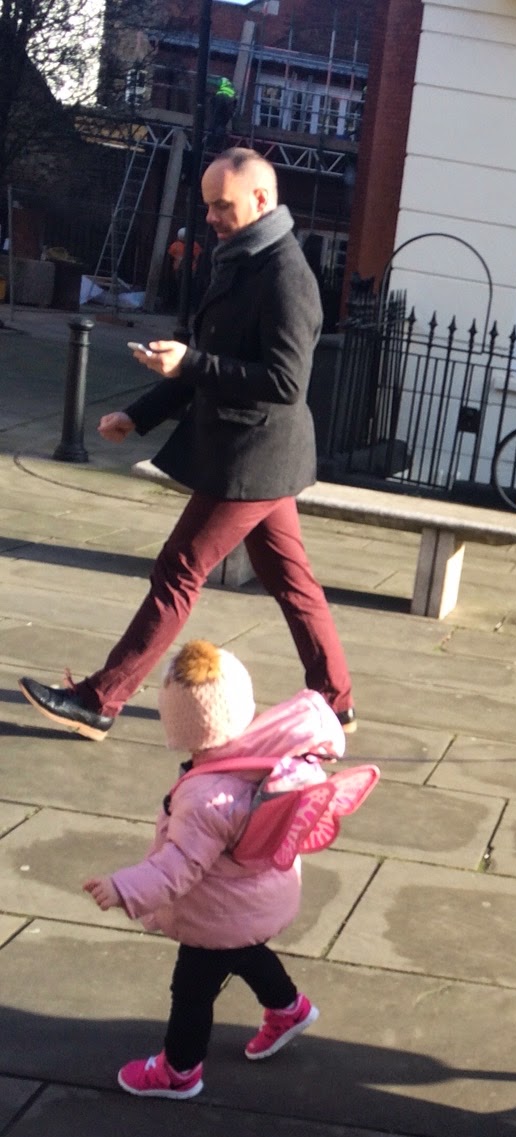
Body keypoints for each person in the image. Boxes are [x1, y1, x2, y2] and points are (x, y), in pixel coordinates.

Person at [19, 147, 355, 740]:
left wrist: (191, 363)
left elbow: (285, 382)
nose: (211, 216)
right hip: (252, 454)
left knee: (178, 569)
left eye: (222, 205)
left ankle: (101, 700)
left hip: (253, 456)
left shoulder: (286, 276)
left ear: (261, 199)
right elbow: (201, 365)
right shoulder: (241, 260)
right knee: (292, 581)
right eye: (207, 205)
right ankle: (336, 700)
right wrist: (136, 414)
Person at [83, 640, 333, 1099]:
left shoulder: (205, 797)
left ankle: (179, 1070)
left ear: (178, 726)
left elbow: (176, 867)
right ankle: (289, 1009)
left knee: (192, 990)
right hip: (259, 894)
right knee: (247, 949)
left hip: (216, 910)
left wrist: (122, 888)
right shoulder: (267, 755)